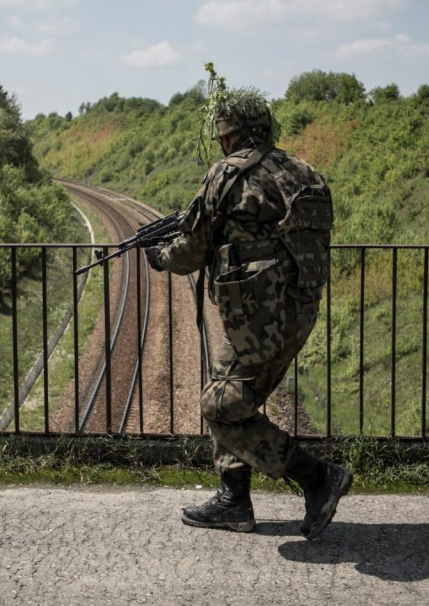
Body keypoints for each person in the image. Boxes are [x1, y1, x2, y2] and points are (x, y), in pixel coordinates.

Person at [144, 87, 352, 539]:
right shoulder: (302, 170)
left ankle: (317, 477)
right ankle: (233, 500)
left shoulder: (227, 173)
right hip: (297, 309)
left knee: (219, 406)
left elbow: (192, 250)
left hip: (258, 319)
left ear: (228, 138)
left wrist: (160, 257)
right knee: (228, 386)